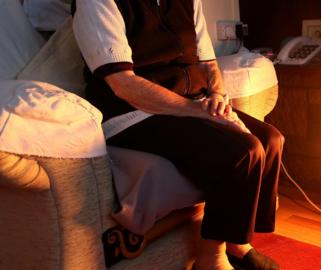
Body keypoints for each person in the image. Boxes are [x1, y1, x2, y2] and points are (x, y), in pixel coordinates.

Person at [72, 0, 284, 269]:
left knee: (271, 140)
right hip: (134, 113)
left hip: (192, 103)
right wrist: (196, 111)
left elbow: (209, 65)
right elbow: (123, 84)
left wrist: (217, 96)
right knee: (243, 150)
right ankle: (211, 259)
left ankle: (237, 242)